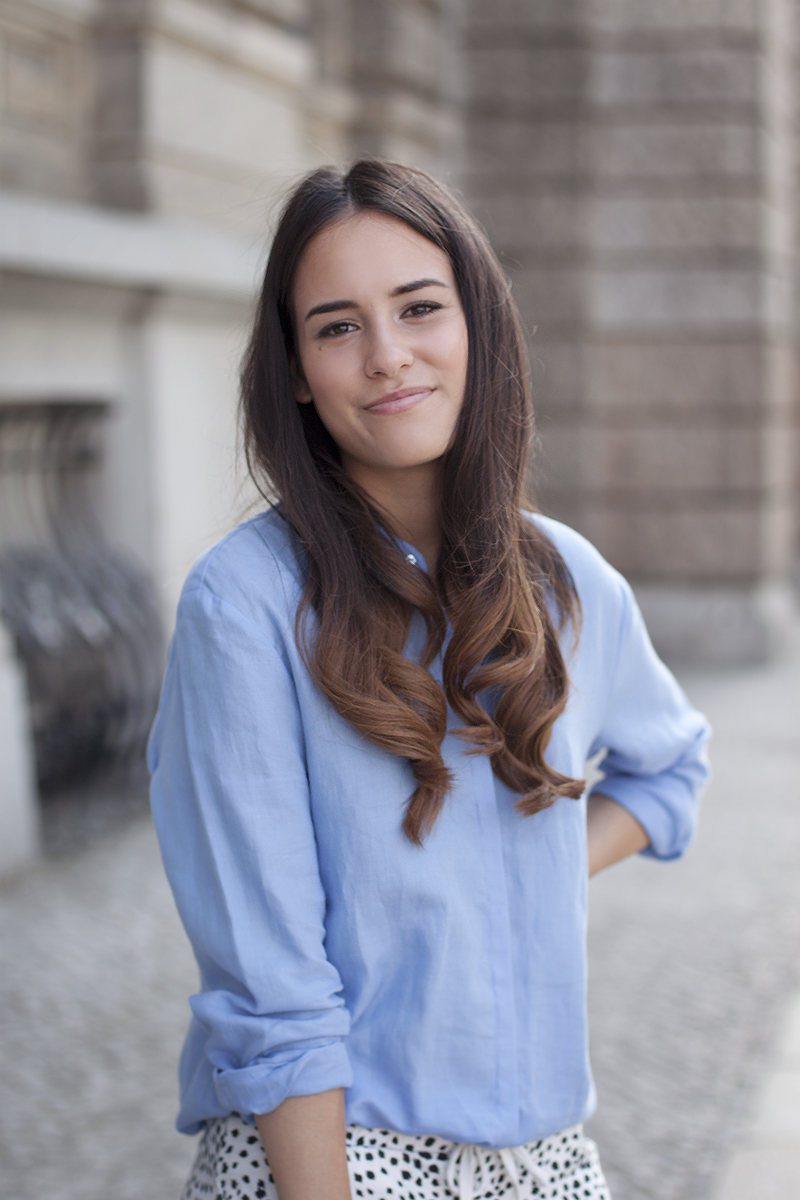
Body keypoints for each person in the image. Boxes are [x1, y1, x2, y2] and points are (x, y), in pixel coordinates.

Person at [149, 159, 710, 1200]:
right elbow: (270, 991)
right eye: (337, 327)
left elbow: (670, 767)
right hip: (339, 1155)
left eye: (418, 307)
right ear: (297, 371)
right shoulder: (245, 605)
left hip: (545, 1161)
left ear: (477, 326)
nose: (387, 355)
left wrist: (517, 870)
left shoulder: (569, 580)